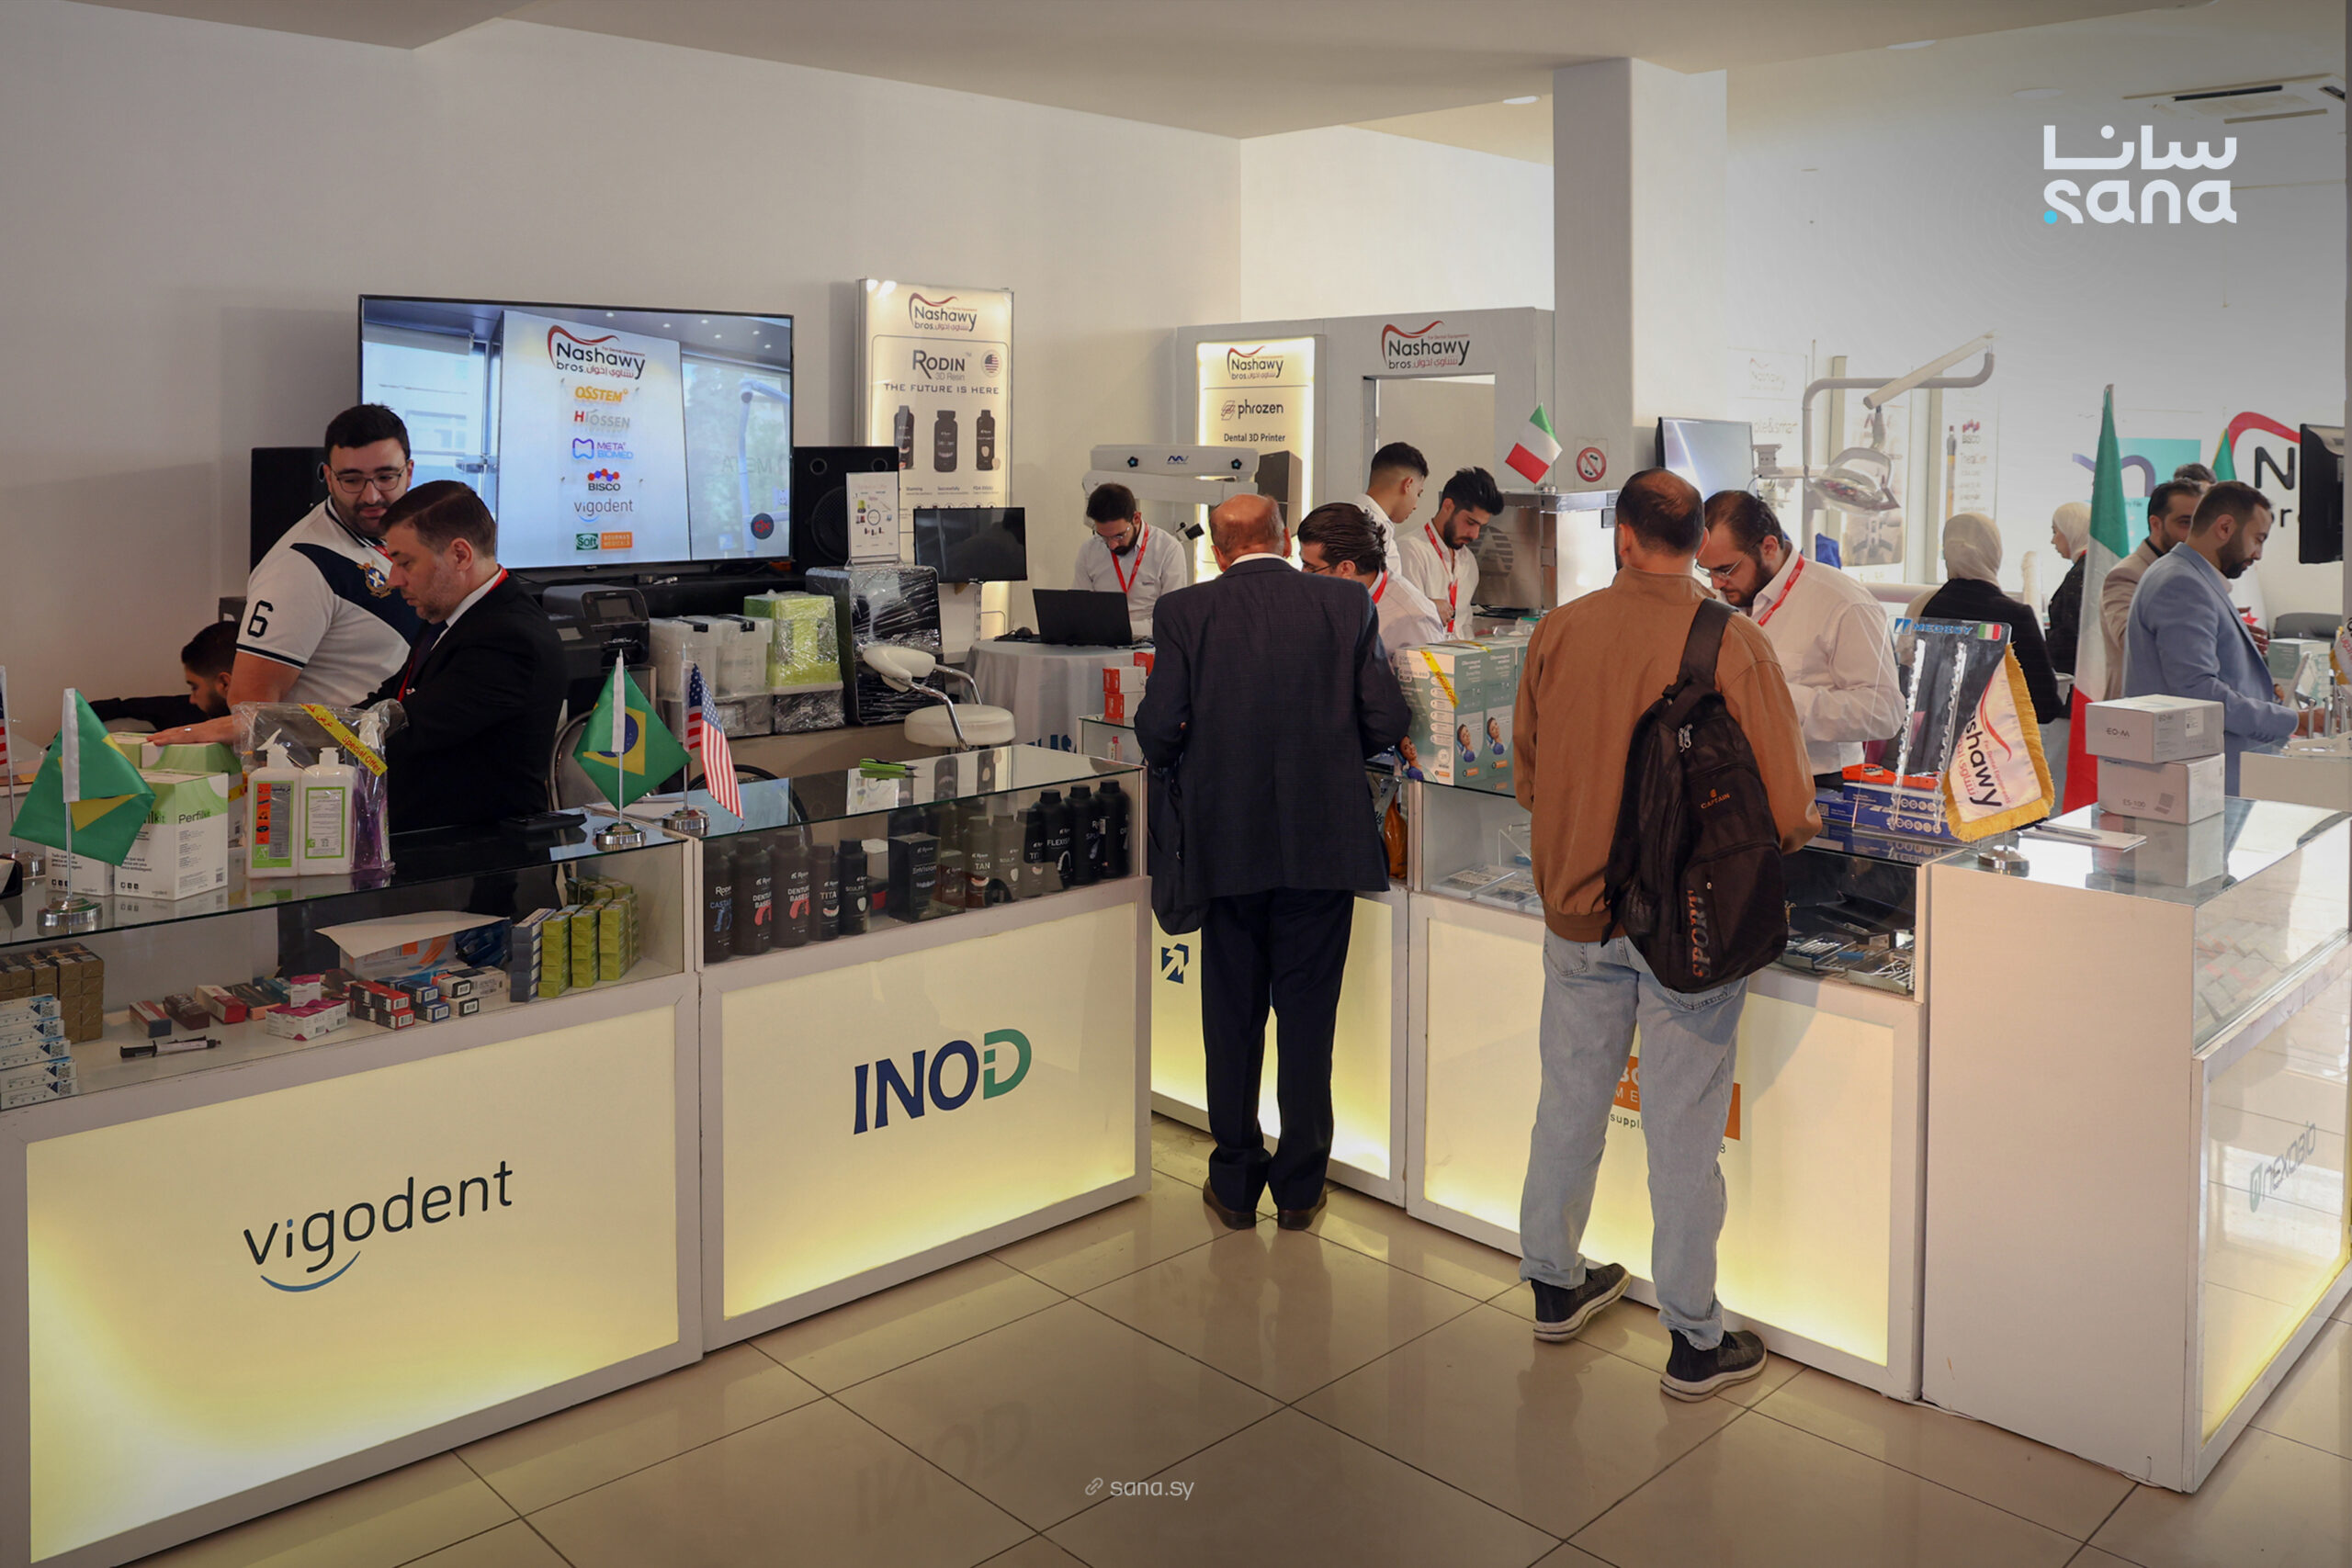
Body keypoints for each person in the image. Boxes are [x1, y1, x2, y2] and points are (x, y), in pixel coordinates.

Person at [1513, 468, 1818, 1398]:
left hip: (1576, 911)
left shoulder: (1559, 630)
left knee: (1569, 1102)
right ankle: (1693, 1337)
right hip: (1687, 930)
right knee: (1682, 1132)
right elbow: (1789, 809)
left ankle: (1553, 1285)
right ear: (1698, 545)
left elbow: (1527, 775)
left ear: (1622, 536)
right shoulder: (1734, 641)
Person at [1134, 492, 1408, 1231]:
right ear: (1285, 540)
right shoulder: (1346, 605)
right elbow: (1386, 718)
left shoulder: (1185, 612)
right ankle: (1299, 1187)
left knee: (1231, 1016)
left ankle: (1234, 1180)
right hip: (1324, 843)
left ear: (1217, 550)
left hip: (1225, 843)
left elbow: (1157, 733)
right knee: (1308, 1019)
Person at [153, 404, 424, 747]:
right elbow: (250, 707)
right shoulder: (300, 566)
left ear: (408, 472)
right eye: (352, 480)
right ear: (328, 477)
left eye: (385, 477)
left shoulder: (399, 538)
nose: (371, 495)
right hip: (338, 771)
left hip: (401, 756)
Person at [368, 482, 567, 834]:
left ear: (460, 555)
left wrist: (297, 732)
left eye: (405, 562)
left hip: (477, 855)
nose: (393, 579)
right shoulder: (450, 613)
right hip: (428, 845)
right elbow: (390, 700)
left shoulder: (510, 638)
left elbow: (408, 729)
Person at [1696, 492, 1904, 788]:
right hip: (1730, 778)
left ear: (1769, 547)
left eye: (1726, 569)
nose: (1716, 582)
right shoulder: (1717, 599)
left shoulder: (1843, 603)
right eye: (1707, 570)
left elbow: (1884, 712)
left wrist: (1781, 700)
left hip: (1817, 784)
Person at [2123, 480, 2300, 793]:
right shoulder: (2182, 583)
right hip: (2195, 780)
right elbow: (2198, 691)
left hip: (2207, 774)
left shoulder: (2189, 576)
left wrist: (2263, 693)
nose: (2258, 554)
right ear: (2225, 527)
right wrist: (2294, 720)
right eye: (2258, 539)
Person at [1905, 514, 2065, 724]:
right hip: (1995, 738)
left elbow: (1913, 684)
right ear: (1994, 552)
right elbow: (2044, 706)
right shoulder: (2015, 616)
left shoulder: (1923, 608)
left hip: (1934, 735)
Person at [1296, 502, 1448, 653]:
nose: (1303, 574)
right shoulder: (1329, 598)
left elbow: (1436, 668)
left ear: (1346, 568)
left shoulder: (1413, 618)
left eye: (1311, 568)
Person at [2099, 477, 2204, 691]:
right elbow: (2131, 642)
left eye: (2201, 522)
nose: (2195, 532)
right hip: (2141, 704)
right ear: (2156, 524)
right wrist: (2209, 627)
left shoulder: (2194, 570)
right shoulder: (2127, 574)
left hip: (2183, 700)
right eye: (2185, 522)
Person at [1070, 482, 1189, 640]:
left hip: (1151, 644)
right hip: (1101, 642)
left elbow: (1172, 619)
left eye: (1119, 536)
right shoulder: (1089, 550)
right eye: (1103, 537)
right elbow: (1080, 609)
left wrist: (1121, 627)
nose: (1112, 545)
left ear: (1136, 518)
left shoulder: (1168, 549)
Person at [1397, 466, 1504, 638]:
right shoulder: (1411, 550)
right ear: (1448, 506)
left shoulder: (1468, 561)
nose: (1475, 535)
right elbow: (1406, 623)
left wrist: (1473, 643)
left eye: (1480, 526)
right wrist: (1430, 608)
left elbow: (1463, 625)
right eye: (1470, 522)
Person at [89, 622, 237, 731]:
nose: (192, 699)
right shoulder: (186, 711)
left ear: (224, 683)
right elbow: (130, 707)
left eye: (194, 687)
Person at [1351, 441, 1428, 576]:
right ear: (1408, 485)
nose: (1415, 506)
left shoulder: (1342, 517)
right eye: (1418, 494)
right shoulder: (1376, 535)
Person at [2044, 502, 2090, 678]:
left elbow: (2070, 636)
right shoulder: (2091, 568)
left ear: (2072, 530)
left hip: (2076, 676)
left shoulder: (2080, 574)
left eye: (2055, 531)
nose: (2053, 540)